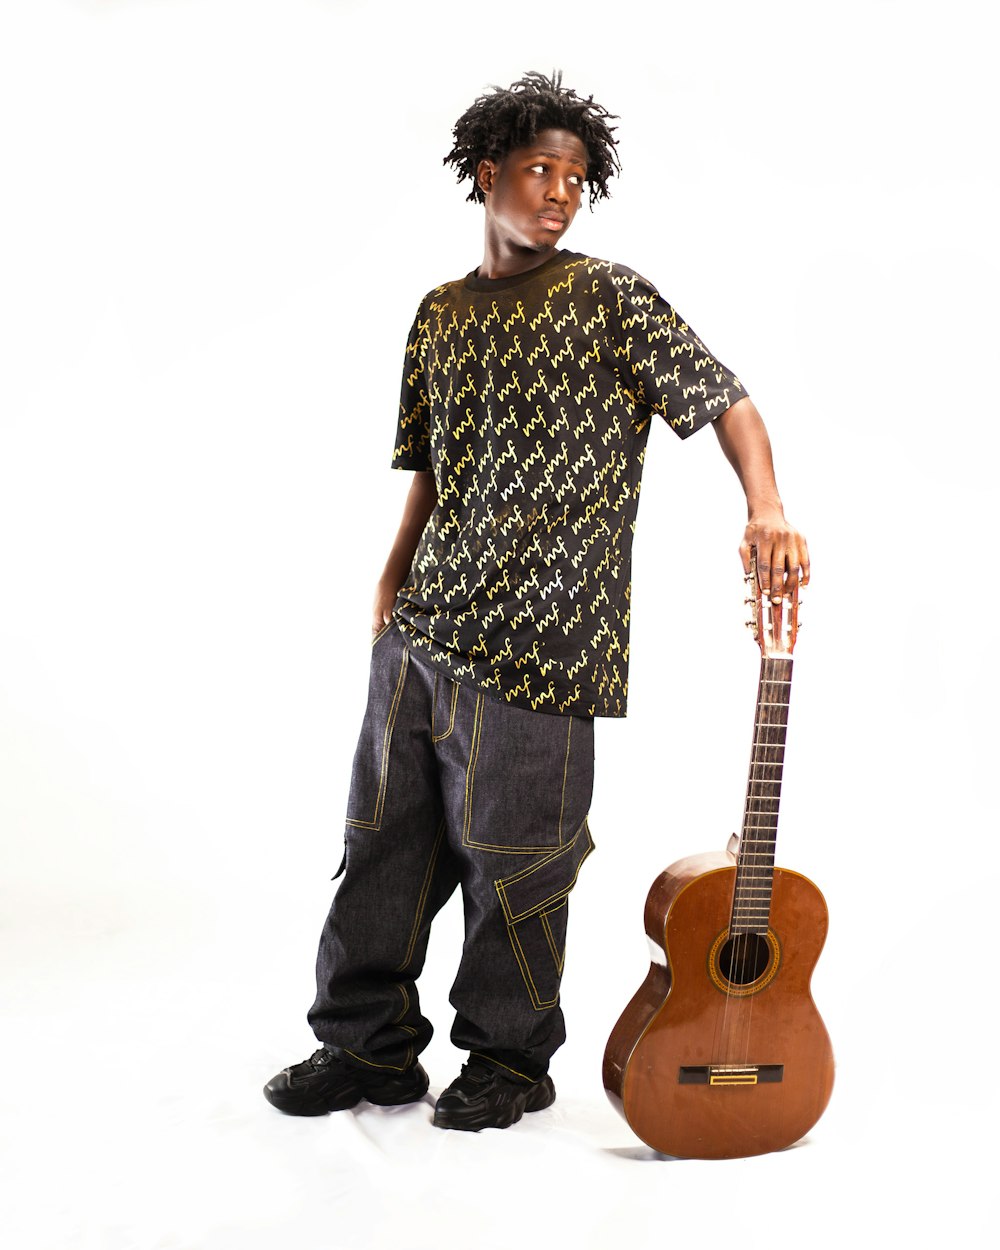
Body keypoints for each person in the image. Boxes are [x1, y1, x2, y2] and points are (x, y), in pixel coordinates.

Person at [263, 70, 809, 1132]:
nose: (559, 192)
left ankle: (508, 1061)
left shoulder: (611, 297)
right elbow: (432, 465)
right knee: (379, 846)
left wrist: (767, 504)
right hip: (422, 632)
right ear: (488, 174)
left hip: (547, 645)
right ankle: (364, 1047)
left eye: (576, 177)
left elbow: (725, 397)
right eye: (539, 170)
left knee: (520, 868)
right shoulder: (439, 315)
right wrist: (387, 580)